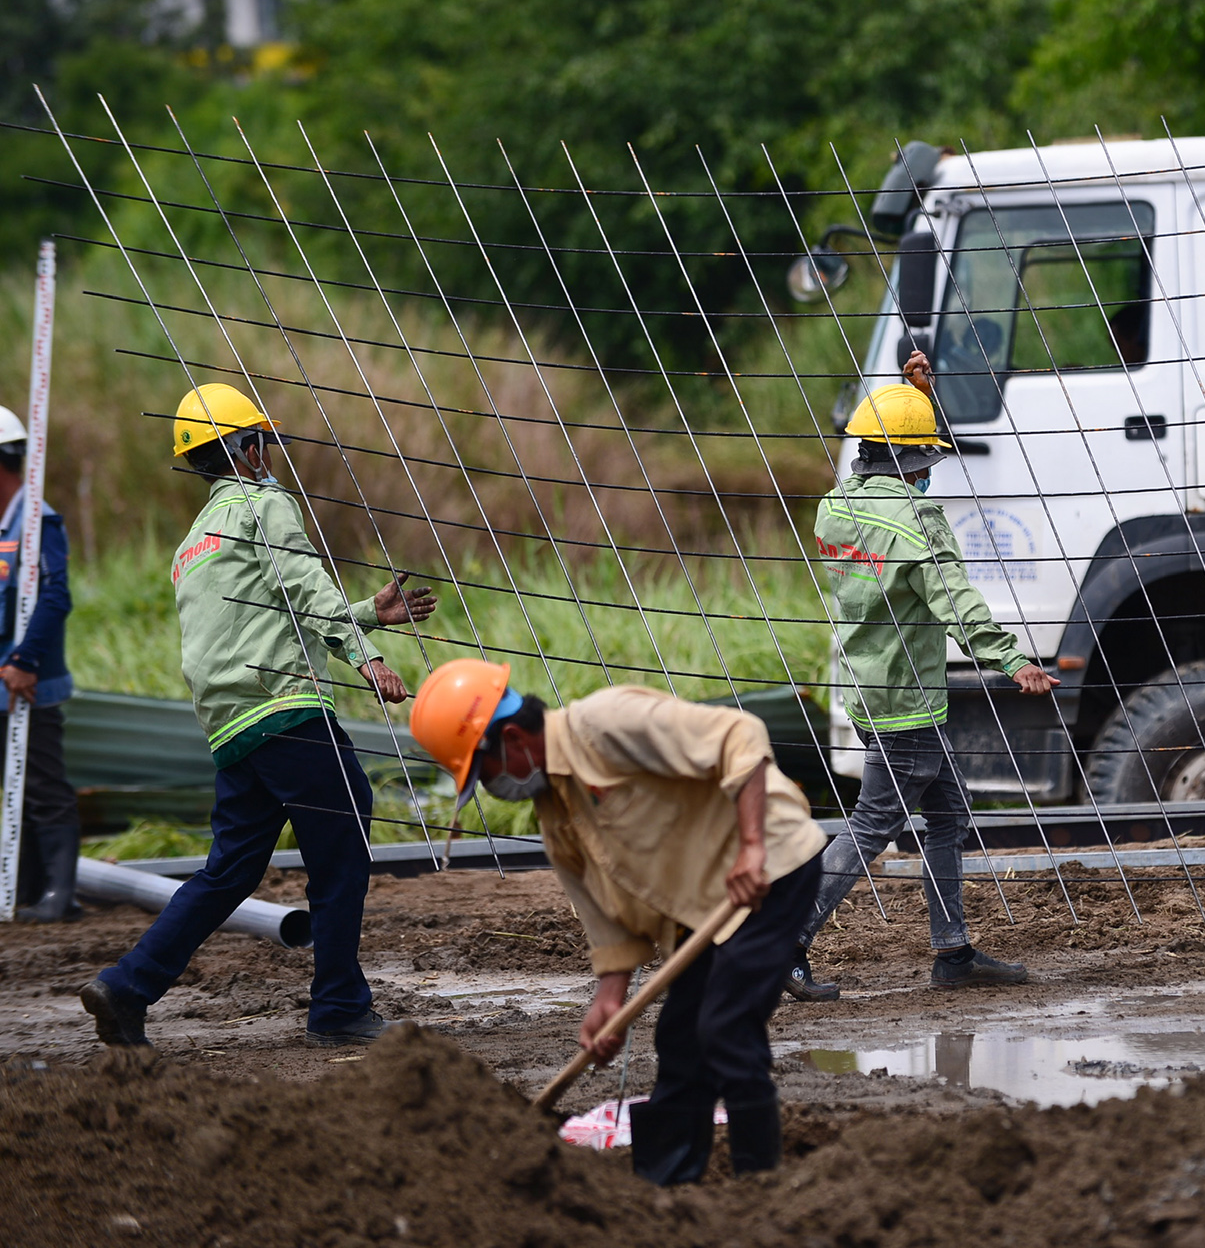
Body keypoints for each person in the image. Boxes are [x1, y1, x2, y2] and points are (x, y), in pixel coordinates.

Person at [80, 383, 435, 1048]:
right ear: (245, 449)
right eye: (262, 442)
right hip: (289, 712)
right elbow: (303, 585)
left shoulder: (192, 544)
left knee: (229, 873)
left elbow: (267, 611)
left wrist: (364, 613)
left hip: (235, 729)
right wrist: (367, 656)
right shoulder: (265, 504)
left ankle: (127, 986)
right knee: (341, 843)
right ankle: (337, 1006)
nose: (268, 454)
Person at [408, 659, 827, 1185]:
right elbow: (604, 916)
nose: (491, 789)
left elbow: (739, 733)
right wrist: (609, 996)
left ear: (512, 737)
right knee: (679, 1040)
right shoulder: (555, 816)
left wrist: (751, 847)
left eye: (484, 773)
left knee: (725, 1026)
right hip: (700, 906)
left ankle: (760, 1183)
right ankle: (666, 1187)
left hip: (770, 865)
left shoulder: (607, 723)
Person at [787, 354, 1057, 1001]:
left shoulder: (836, 509)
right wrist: (1009, 658)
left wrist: (915, 397)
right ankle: (784, 943)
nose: (931, 473)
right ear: (914, 466)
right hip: (908, 702)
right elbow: (954, 599)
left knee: (948, 812)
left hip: (867, 687)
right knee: (871, 824)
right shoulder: (919, 522)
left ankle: (953, 951)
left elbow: (893, 447)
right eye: (927, 462)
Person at [0, 405, 80, 923]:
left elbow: (55, 597)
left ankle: (59, 893)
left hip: (30, 682)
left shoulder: (37, 519)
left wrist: (26, 660)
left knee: (42, 783)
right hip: (4, 681)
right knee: (13, 787)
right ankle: (24, 887)